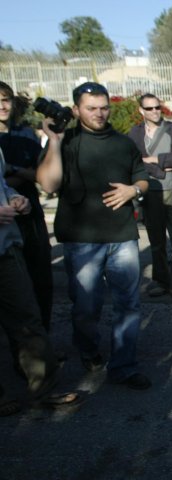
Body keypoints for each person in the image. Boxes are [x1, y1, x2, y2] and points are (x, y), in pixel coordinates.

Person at [37, 82, 151, 389]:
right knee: (86, 307)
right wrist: (55, 142)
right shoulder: (66, 141)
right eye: (91, 108)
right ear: (76, 110)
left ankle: (124, 366)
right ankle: (88, 350)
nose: (99, 114)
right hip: (81, 240)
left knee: (128, 305)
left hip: (122, 236)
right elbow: (48, 184)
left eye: (104, 107)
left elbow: (142, 179)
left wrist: (133, 190)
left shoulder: (123, 143)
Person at [0, 147, 80, 415]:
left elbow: (2, 185)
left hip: (6, 248)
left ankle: (44, 390)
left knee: (27, 318)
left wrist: (15, 198)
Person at [128, 93, 172, 299]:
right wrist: (165, 165)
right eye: (149, 108)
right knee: (156, 240)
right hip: (150, 192)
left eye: (158, 107)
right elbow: (134, 161)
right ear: (141, 111)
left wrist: (155, 159)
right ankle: (160, 282)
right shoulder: (134, 134)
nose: (155, 111)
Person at [0, 81, 53, 330]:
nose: (2, 105)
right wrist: (19, 174)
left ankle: (43, 340)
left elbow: (40, 176)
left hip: (28, 210)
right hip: (5, 217)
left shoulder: (25, 134)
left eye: (6, 99)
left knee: (40, 276)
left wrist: (14, 170)